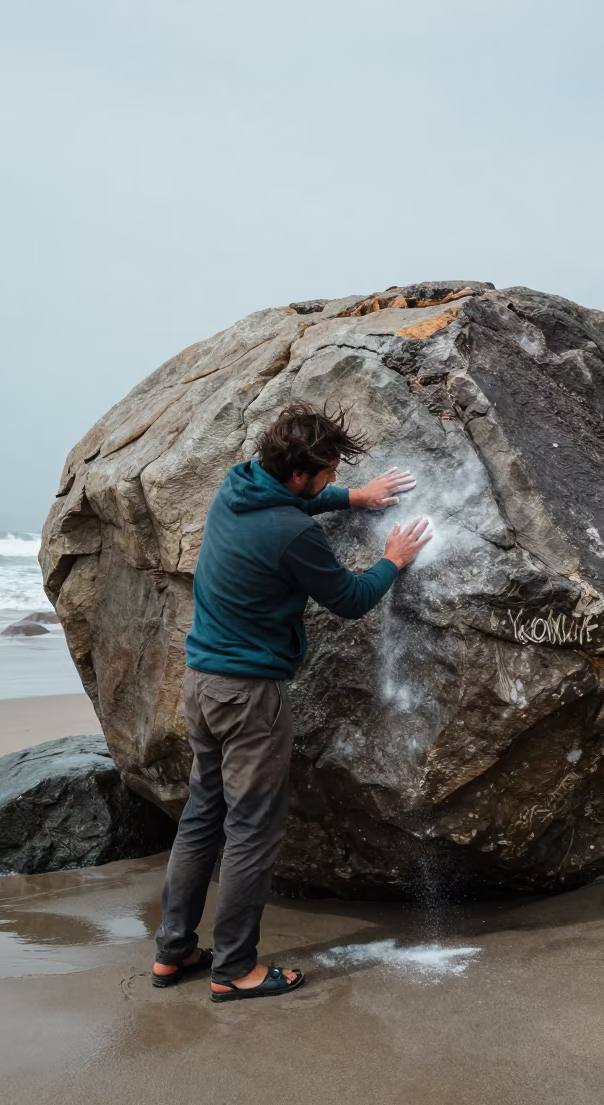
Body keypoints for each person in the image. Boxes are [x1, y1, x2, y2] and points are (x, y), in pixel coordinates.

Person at [151, 401, 431, 1002]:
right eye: (328, 472)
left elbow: (294, 503)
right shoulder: (291, 532)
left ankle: (174, 953)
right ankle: (235, 969)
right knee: (252, 828)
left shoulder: (238, 488)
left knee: (203, 816)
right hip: (250, 695)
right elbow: (352, 599)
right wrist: (393, 560)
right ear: (300, 474)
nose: (333, 479)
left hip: (201, 682)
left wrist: (353, 498)